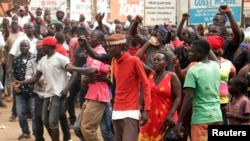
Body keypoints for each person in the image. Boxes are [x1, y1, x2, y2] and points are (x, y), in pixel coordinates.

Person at [13, 36, 84, 141]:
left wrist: (66, 89)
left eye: (43, 47)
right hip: (48, 93)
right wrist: (21, 83)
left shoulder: (61, 58)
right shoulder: (43, 60)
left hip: (58, 93)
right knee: (45, 120)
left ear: (48, 46)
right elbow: (36, 77)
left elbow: (74, 73)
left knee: (53, 121)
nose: (40, 49)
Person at [106, 34, 151, 141]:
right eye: (108, 47)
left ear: (120, 47)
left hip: (130, 112)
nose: (108, 49)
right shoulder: (114, 63)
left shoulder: (134, 61)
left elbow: (145, 84)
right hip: (116, 112)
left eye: (111, 47)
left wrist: (146, 110)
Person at [176, 39, 222, 141]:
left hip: (201, 118)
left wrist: (179, 121)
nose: (189, 53)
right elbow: (213, 58)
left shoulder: (193, 70)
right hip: (217, 116)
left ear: (201, 53)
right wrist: (201, 40)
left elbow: (189, 96)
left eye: (192, 51)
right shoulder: (216, 65)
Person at [138, 51, 181, 140]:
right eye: (154, 60)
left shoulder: (172, 76)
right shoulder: (150, 73)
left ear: (166, 63)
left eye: (159, 60)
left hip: (167, 117)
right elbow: (137, 59)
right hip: (149, 118)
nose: (156, 62)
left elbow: (178, 97)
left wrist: (171, 114)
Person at [12, 39, 36, 140]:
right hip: (20, 91)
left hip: (33, 91)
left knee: (34, 113)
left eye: (25, 46)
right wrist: (15, 85)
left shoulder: (34, 58)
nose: (23, 48)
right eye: (21, 46)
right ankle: (26, 132)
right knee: (21, 113)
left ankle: (36, 133)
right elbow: (13, 75)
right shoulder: (16, 60)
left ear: (29, 47)